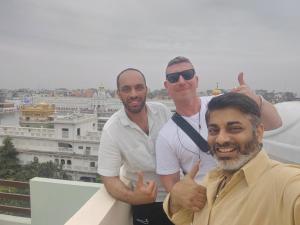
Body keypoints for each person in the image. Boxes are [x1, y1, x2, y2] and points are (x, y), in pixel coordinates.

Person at [163, 92, 300, 225]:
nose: (221, 139)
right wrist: (175, 199)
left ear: (258, 133)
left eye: (234, 129)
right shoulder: (210, 181)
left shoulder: (285, 183)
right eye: (213, 130)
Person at [156, 56, 282, 193]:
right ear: (166, 86)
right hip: (210, 199)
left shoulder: (222, 104)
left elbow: (274, 123)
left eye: (187, 75)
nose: (181, 81)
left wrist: (255, 100)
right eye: (174, 78)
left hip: (251, 187)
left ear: (196, 80)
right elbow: (172, 185)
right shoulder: (165, 136)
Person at [97, 68, 174, 225]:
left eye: (139, 87)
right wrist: (134, 198)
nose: (133, 94)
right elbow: (109, 178)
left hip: (177, 196)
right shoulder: (112, 129)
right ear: (118, 94)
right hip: (147, 203)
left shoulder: (163, 112)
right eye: (126, 89)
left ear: (147, 90)